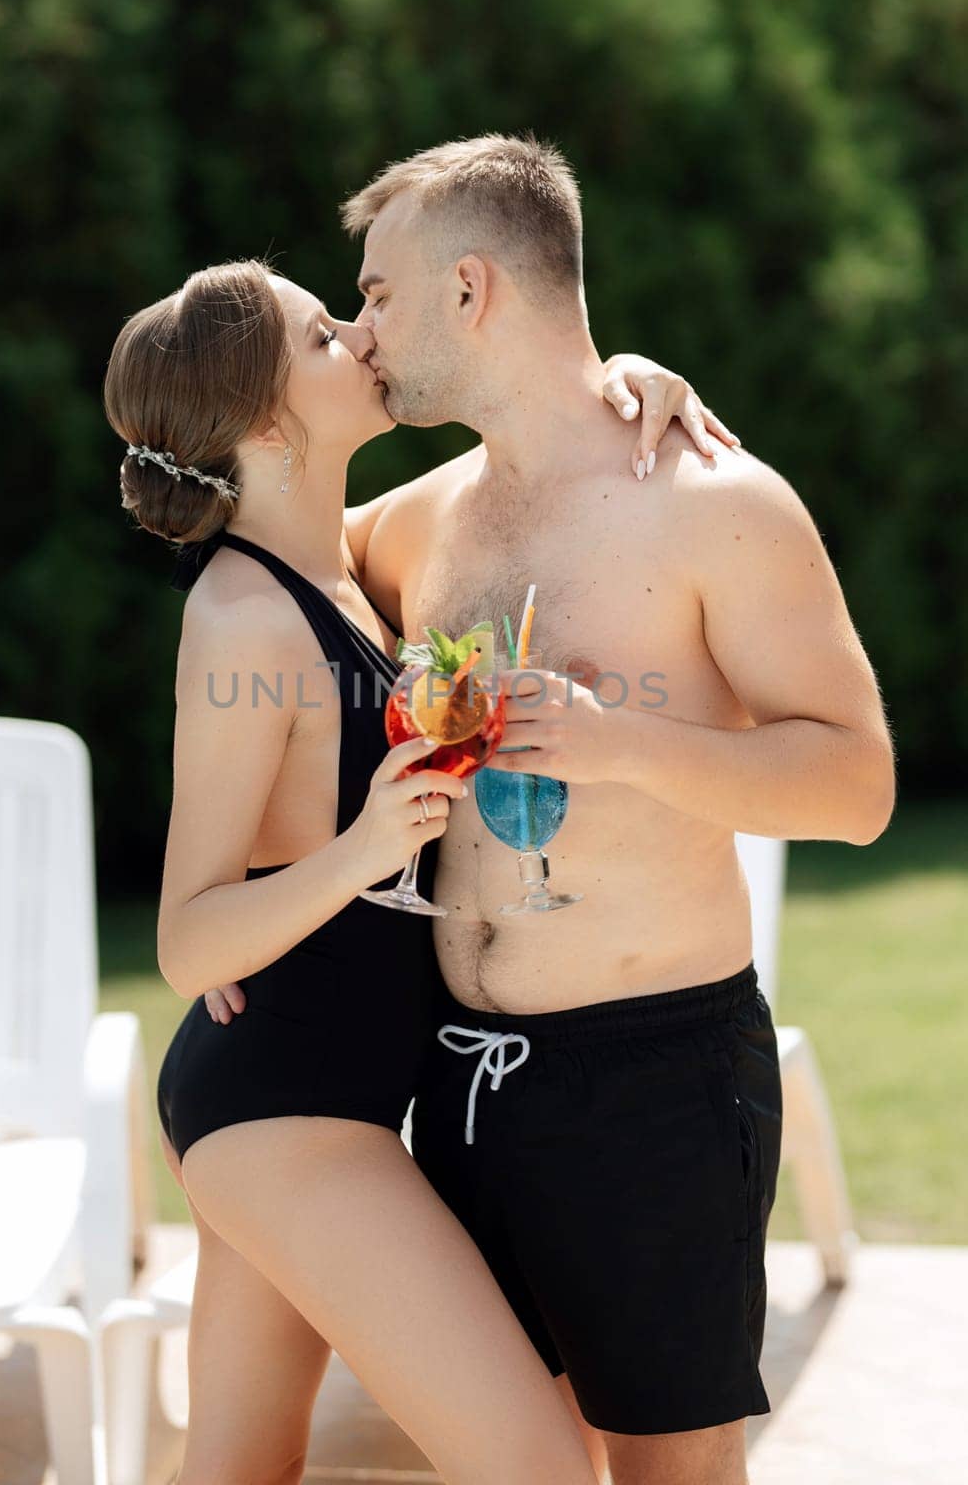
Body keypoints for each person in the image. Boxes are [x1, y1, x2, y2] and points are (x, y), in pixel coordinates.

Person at [103, 257, 726, 1485]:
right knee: (541, 1467)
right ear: (267, 420)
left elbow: (520, 469)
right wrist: (363, 853)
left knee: (237, 1468)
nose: (364, 338)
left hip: (320, 1091)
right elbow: (185, 940)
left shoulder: (334, 562)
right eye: (326, 337)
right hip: (285, 1108)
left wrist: (621, 389)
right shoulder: (241, 618)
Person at [331, 133, 895, 1485]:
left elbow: (860, 784)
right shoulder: (419, 520)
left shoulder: (718, 505)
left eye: (377, 294)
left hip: (656, 1085)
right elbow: (293, 557)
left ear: (473, 288)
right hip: (456, 1080)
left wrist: (620, 742)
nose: (360, 334)